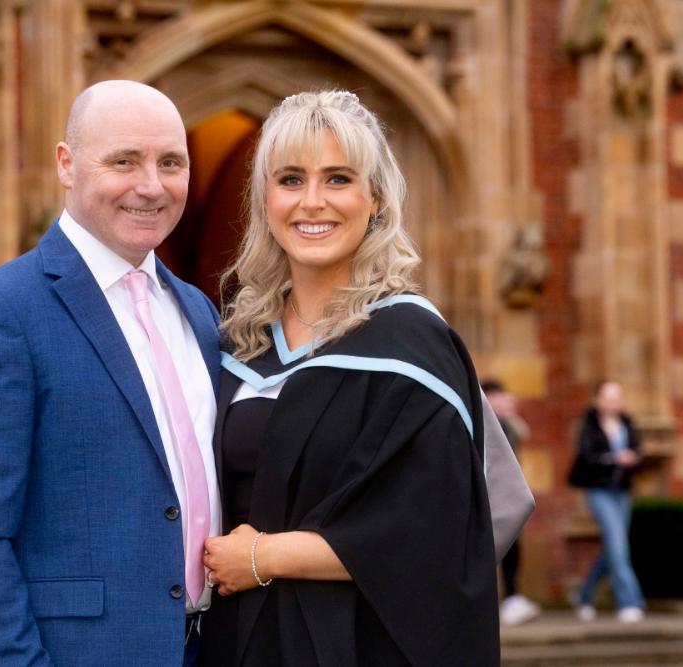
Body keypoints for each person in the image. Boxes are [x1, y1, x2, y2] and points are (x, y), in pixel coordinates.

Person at [200, 90, 499, 666]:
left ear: (376, 200)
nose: (312, 202)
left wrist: (265, 556)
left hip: (359, 644)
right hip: (236, 641)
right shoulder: (237, 342)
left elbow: (432, 533)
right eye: (290, 179)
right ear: (264, 200)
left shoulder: (412, 347)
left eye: (338, 179)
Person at [0, 80, 220, 666]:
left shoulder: (200, 311)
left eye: (171, 162)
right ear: (67, 164)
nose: (151, 185)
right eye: (124, 161)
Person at [568, 380, 646, 623]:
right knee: (618, 545)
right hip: (599, 491)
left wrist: (634, 458)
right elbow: (586, 457)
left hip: (621, 492)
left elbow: (639, 451)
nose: (614, 403)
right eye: (608, 398)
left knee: (614, 548)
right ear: (597, 401)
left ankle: (583, 594)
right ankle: (630, 602)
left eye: (617, 398)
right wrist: (614, 459)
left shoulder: (627, 423)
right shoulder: (589, 426)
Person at [483, 378, 541, 627]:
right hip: (489, 496)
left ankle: (512, 598)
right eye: (501, 398)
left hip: (505, 496)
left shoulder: (507, 425)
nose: (508, 403)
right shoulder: (482, 425)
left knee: (512, 548)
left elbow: (524, 433)